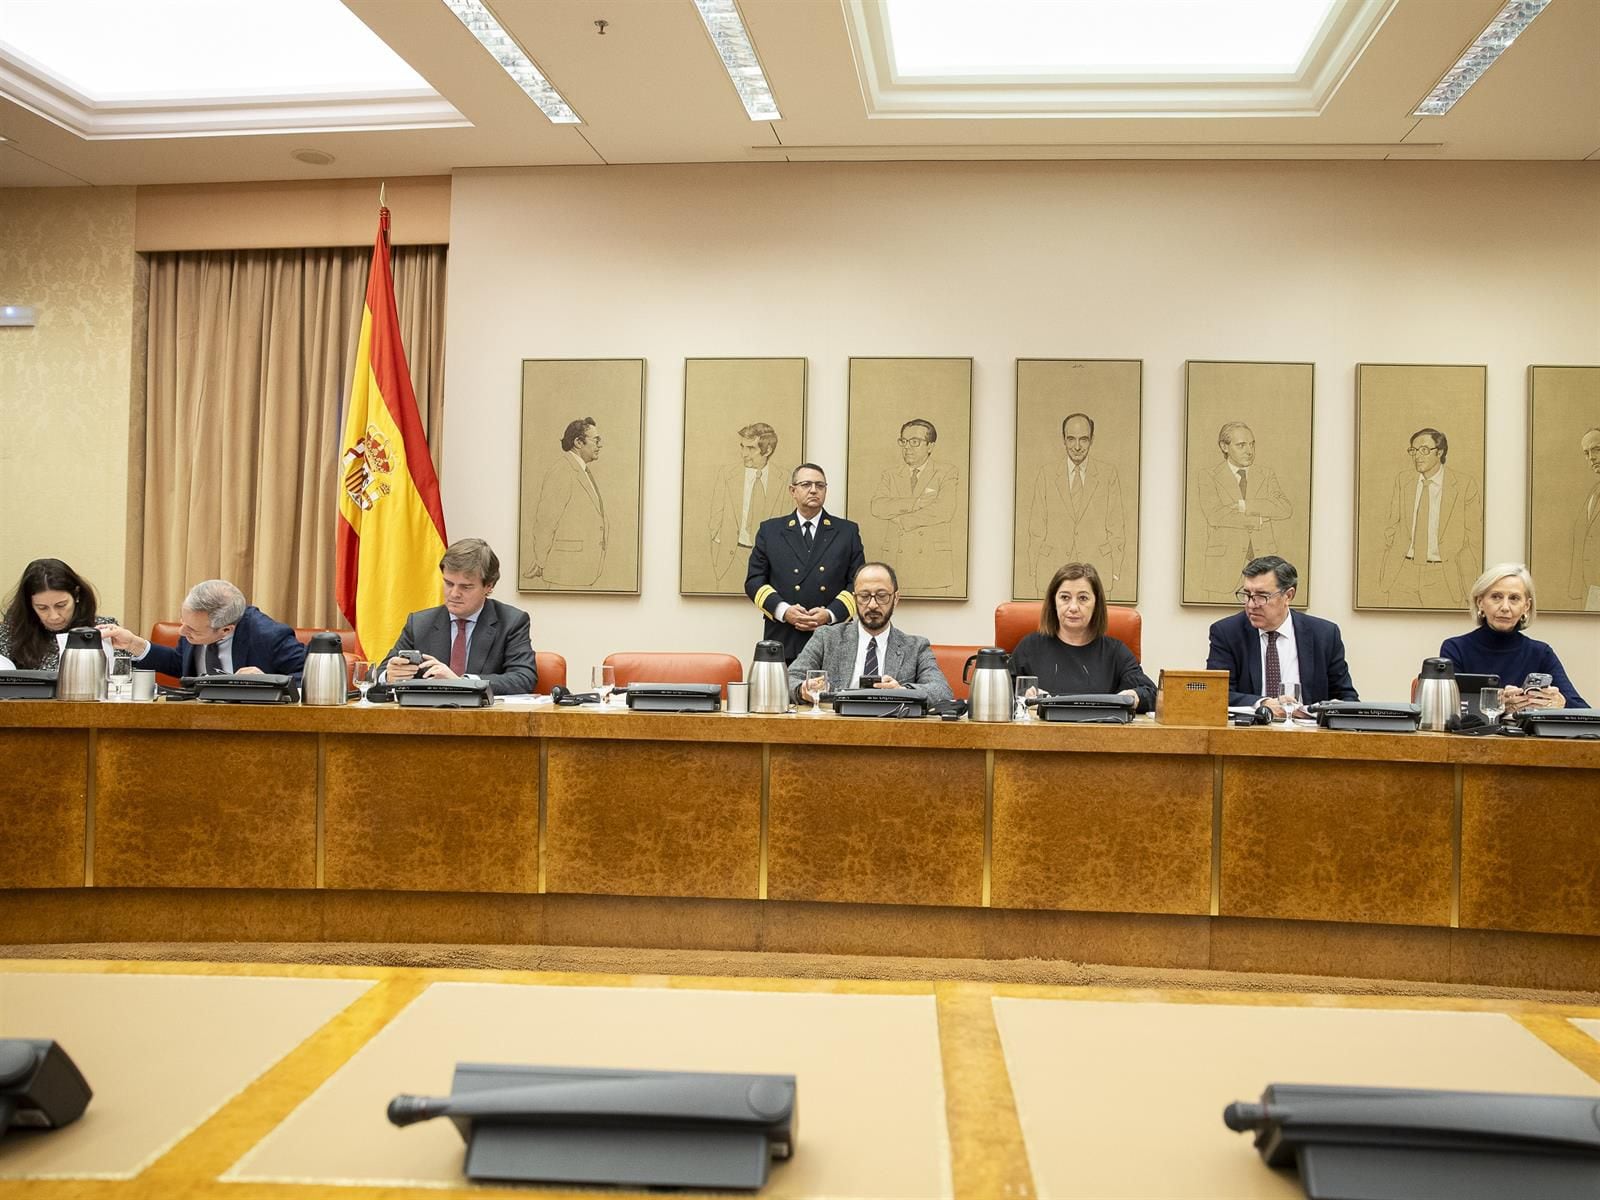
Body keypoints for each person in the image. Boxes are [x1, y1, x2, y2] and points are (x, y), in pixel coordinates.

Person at [1206, 555, 1359, 716]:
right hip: (1250, 733)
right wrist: (1263, 703)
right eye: (1247, 594)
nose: (1251, 604)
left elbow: (1347, 697)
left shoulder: (1324, 635)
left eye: (1261, 596)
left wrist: (1328, 708)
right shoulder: (1227, 633)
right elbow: (1216, 694)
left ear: (1288, 596)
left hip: (1310, 734)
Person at [746, 463, 867, 663]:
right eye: (806, 484)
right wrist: (784, 611)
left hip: (833, 636)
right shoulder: (770, 531)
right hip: (784, 637)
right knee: (785, 694)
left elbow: (858, 583)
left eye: (820, 485)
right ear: (793, 491)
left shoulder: (847, 532)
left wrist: (829, 614)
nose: (813, 490)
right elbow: (754, 582)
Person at [383, 538, 537, 696]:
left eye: (466, 587)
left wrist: (462, 682)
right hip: (427, 717)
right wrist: (388, 676)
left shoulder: (512, 622)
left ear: (489, 586)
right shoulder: (420, 623)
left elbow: (523, 678)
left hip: (483, 718)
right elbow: (375, 675)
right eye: (449, 583)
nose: (454, 594)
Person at [789, 562, 954, 705]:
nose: (873, 605)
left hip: (892, 733)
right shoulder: (826, 637)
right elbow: (789, 679)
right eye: (864, 596)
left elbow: (942, 692)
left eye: (881, 596)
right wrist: (801, 690)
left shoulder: (916, 647)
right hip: (836, 730)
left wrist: (902, 690)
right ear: (855, 599)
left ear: (896, 599)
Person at [1439, 563, 1588, 713]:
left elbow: (1585, 712)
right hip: (1472, 736)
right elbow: (1446, 710)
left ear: (1526, 607)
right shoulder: (1455, 648)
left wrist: (1561, 704)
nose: (1505, 607)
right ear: (1480, 603)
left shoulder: (1541, 653)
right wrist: (1497, 707)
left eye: (1514, 598)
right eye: (1496, 597)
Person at [1009, 562, 1155, 711]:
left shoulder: (1115, 652)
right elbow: (1003, 694)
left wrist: (1133, 696)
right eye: (1065, 597)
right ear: (1054, 602)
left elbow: (1152, 695)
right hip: (1041, 733)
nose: (1073, 607)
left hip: (1099, 733)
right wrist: (1024, 698)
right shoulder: (1030, 647)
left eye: (1083, 598)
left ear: (1096, 603)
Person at [100, 580, 306, 681]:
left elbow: (309, 676)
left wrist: (269, 680)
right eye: (182, 621)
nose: (181, 631)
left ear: (226, 630)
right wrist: (133, 644)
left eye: (191, 629)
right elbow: (178, 664)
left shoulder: (269, 636)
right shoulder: (194, 626)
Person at [1378, 427, 1481, 608]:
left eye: (1424, 450)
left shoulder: (1464, 485)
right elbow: (1392, 525)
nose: (1418, 456)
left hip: (1442, 574)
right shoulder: (1403, 481)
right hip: (1403, 572)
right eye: (1414, 450)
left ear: (1439, 452)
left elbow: (1474, 538)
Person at [1027, 413, 1126, 593]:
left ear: (1092, 440)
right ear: (1063, 439)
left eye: (1084, 439)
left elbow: (1116, 527)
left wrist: (1115, 570)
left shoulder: (1108, 474)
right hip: (1051, 570)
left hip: (1097, 571)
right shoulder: (1046, 474)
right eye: (1071, 439)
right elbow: (1036, 528)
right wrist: (1034, 567)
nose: (1077, 446)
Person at [1197, 421, 1290, 601]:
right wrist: (1259, 520)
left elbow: (1284, 509)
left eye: (1252, 444)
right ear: (1224, 447)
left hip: (1265, 565)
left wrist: (1244, 506)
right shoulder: (1208, 476)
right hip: (1223, 566)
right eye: (1241, 445)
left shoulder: (1266, 474)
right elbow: (1215, 515)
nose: (1249, 450)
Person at [870, 418, 959, 592]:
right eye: (903, 441)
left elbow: (944, 510)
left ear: (930, 446)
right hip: (896, 559)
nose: (907, 447)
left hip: (931, 562)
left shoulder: (946, 472)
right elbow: (877, 506)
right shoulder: (890, 475)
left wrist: (902, 520)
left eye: (914, 442)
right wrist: (915, 503)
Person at [523, 417, 607, 587]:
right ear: (578, 442)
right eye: (596, 440)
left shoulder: (580, 470)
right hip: (565, 572)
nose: (600, 445)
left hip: (579, 571)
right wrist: (540, 561)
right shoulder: (562, 471)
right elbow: (545, 522)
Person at [0, 558, 116, 670]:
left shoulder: (103, 629)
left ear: (77, 595)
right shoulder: (11, 633)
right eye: (42, 608)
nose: (54, 616)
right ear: (29, 605)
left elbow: (125, 676)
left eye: (61, 605)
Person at [708, 421, 790, 582]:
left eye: (751, 448)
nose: (744, 453)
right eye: (742, 446)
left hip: (770, 563)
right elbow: (715, 519)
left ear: (768, 450)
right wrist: (718, 547)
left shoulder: (785, 478)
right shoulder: (726, 474)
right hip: (730, 560)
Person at [1570, 427, 1600, 611]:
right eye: (1587, 453)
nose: (1592, 458)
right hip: (1591, 590)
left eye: (1597, 449)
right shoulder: (1594, 493)